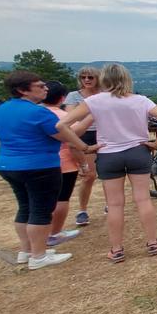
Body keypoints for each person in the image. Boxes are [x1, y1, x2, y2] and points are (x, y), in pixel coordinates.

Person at [57, 63, 157, 263]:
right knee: (143, 199)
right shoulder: (140, 100)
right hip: (138, 151)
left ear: (104, 80)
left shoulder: (94, 101)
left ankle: (117, 249)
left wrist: (84, 148)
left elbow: (62, 125)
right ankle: (152, 242)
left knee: (115, 204)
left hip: (109, 154)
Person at [0, 71, 101, 269]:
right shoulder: (38, 113)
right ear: (22, 90)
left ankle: (27, 251)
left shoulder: (0, 110)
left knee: (25, 207)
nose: (46, 89)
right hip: (38, 165)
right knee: (41, 210)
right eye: (40, 86)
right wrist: (85, 148)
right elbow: (65, 134)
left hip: (7, 165)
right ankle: (39, 256)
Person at [43, 81, 94, 247]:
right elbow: (73, 141)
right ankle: (54, 233)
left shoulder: (35, 112)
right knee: (61, 198)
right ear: (62, 98)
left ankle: (36, 239)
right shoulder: (60, 116)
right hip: (63, 162)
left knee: (39, 201)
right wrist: (84, 165)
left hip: (35, 163)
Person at [64, 65, 102, 227]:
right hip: (85, 135)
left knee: (110, 173)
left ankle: (111, 204)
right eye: (83, 77)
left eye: (90, 77)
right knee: (90, 175)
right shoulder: (74, 96)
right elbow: (71, 117)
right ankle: (82, 209)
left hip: (104, 133)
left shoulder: (104, 94)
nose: (86, 80)